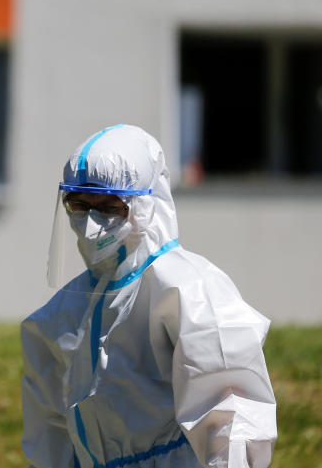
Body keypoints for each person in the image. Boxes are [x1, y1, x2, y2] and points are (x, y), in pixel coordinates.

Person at [21, 124, 276, 468]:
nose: (90, 224)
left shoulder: (187, 288)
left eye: (109, 207)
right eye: (79, 205)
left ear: (145, 204)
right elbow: (48, 424)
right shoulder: (62, 312)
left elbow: (231, 407)